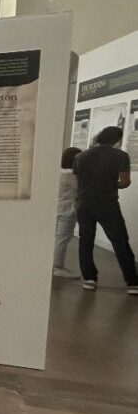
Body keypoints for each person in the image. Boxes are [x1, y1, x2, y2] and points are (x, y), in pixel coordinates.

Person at [73, 126, 138, 294]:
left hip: (84, 203)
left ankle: (89, 279)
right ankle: (132, 282)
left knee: (85, 240)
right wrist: (109, 184)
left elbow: (77, 181)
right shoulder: (120, 156)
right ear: (117, 139)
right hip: (107, 204)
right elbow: (125, 182)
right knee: (120, 241)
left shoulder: (80, 156)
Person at [53, 147, 82, 279]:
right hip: (67, 210)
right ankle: (57, 267)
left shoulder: (57, 172)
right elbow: (81, 189)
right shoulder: (71, 175)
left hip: (56, 208)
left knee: (56, 239)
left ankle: (53, 265)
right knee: (62, 239)